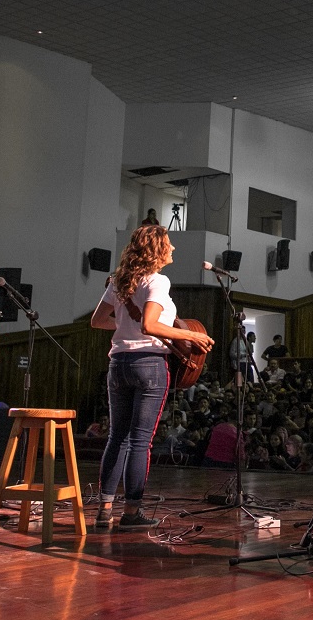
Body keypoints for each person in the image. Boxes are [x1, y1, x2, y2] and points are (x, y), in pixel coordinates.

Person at [90, 224, 215, 530]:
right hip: (148, 364)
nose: (173, 248)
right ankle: (131, 512)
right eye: (169, 244)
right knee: (140, 441)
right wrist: (189, 336)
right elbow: (149, 325)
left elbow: (97, 321)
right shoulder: (158, 281)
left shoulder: (121, 281)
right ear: (157, 250)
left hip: (118, 362)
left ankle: (104, 510)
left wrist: (123, 331)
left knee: (117, 437)